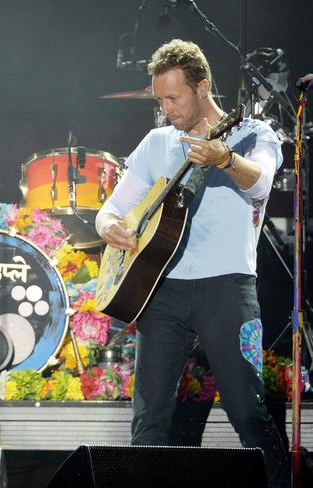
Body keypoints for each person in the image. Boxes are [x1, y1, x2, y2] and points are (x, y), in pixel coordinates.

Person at [95, 39, 288, 487]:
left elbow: (259, 184)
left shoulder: (253, 133)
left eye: (173, 98)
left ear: (203, 88)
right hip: (161, 293)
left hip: (228, 288)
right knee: (149, 420)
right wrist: (109, 227)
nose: (165, 109)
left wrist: (226, 159)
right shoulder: (157, 142)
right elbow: (112, 208)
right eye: (159, 99)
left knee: (248, 412)